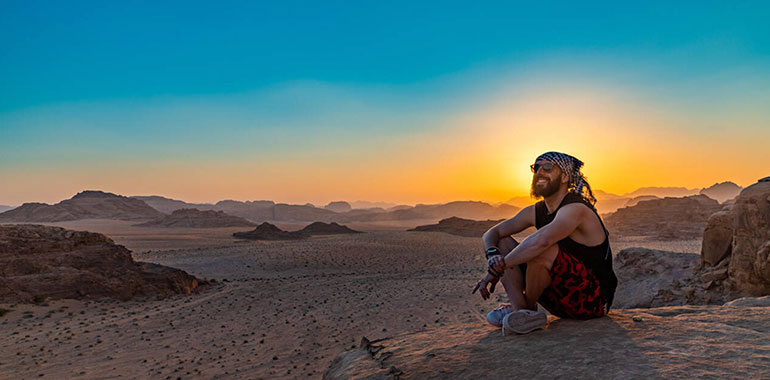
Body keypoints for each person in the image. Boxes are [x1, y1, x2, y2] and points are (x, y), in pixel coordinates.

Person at [472, 151, 617, 335]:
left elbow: (542, 241)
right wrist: (493, 255)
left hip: (592, 302)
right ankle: (522, 312)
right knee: (502, 242)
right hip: (559, 301)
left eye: (548, 167)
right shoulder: (536, 211)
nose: (539, 172)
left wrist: (495, 271)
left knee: (542, 248)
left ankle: (527, 311)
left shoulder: (576, 208)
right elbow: (493, 233)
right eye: (536, 167)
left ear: (564, 176)